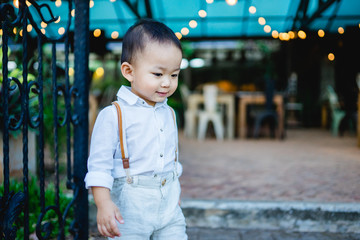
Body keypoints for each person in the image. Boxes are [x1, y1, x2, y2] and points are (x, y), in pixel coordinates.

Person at [84, 19, 187, 239]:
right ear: (129, 71)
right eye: (158, 74)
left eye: (174, 74)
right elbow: (98, 167)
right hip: (131, 209)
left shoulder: (169, 113)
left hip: (168, 207)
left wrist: (173, 190)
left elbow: (170, 156)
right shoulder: (113, 115)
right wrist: (103, 204)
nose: (167, 83)